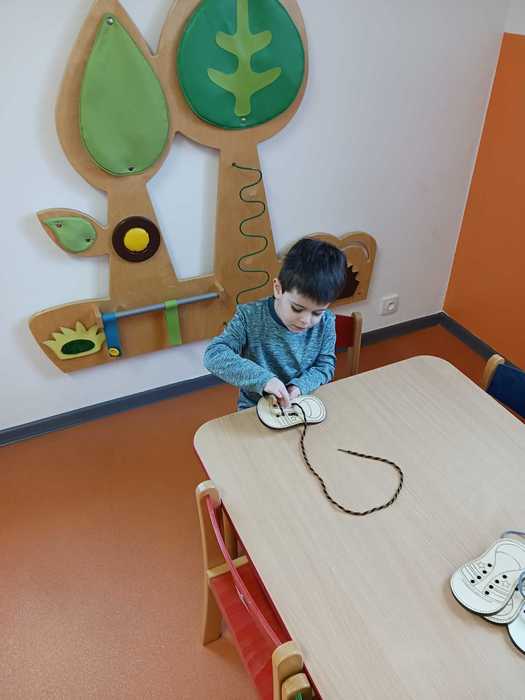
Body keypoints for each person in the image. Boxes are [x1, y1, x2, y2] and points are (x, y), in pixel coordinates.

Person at [203, 238, 347, 410]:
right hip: (255, 407)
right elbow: (214, 355)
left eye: (317, 312)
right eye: (297, 308)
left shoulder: (326, 321)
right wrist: (265, 381)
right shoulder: (249, 317)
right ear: (278, 289)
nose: (306, 321)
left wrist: (298, 388)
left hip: (302, 401)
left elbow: (325, 366)